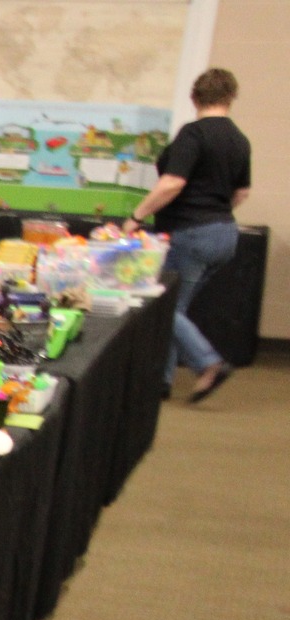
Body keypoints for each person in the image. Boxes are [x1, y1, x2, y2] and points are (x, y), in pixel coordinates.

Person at [125, 67, 250, 402]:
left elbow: (172, 182)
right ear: (231, 98)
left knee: (165, 306)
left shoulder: (193, 135)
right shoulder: (240, 140)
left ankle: (208, 363)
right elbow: (241, 194)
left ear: (194, 97)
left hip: (190, 233)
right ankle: (162, 381)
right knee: (176, 307)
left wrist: (136, 217)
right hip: (224, 234)